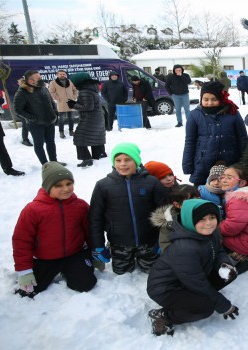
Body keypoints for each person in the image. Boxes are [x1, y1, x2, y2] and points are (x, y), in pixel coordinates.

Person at [146, 199, 239, 336]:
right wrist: (223, 305)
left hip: (189, 278)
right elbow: (197, 283)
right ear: (190, 220)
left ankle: (197, 298)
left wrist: (225, 265)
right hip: (166, 289)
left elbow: (219, 251)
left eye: (212, 217)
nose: (208, 223)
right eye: (201, 219)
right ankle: (163, 315)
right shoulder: (185, 247)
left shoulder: (208, 233)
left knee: (228, 274)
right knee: (204, 307)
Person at [12, 162, 97, 298]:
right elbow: (21, 241)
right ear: (47, 187)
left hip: (74, 254)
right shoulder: (33, 210)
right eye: (58, 185)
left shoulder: (80, 206)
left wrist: (95, 253)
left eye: (69, 184)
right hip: (45, 258)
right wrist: (24, 270)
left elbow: (90, 232)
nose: (66, 189)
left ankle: (70, 269)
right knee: (29, 290)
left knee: (86, 284)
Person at [89, 143, 168, 274]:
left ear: (136, 161)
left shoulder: (151, 182)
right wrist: (98, 245)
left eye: (128, 159)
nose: (123, 164)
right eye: (118, 160)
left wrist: (162, 240)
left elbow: (165, 213)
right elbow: (95, 218)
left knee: (152, 271)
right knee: (121, 273)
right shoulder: (103, 186)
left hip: (148, 241)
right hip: (119, 242)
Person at [182, 81, 247, 186]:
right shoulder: (195, 115)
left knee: (228, 193)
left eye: (214, 99)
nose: (209, 103)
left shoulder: (232, 113)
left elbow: (242, 138)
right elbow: (190, 141)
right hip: (203, 164)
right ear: (201, 99)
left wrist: (244, 163)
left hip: (230, 163)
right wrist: (187, 165)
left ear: (221, 99)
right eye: (206, 99)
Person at [13, 70, 63, 165]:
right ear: (31, 80)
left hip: (49, 121)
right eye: (38, 78)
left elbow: (51, 101)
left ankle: (54, 162)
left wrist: (55, 112)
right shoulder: (22, 92)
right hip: (35, 124)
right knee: (39, 145)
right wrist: (32, 118)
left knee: (51, 143)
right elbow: (18, 110)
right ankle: (46, 165)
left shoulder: (43, 88)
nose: (41, 79)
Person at [68, 72, 107, 167]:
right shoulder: (92, 89)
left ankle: (86, 159)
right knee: (96, 136)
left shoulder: (85, 91)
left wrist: (74, 105)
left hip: (90, 118)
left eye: (73, 82)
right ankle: (99, 154)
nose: (72, 84)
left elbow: (88, 107)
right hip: (97, 118)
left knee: (79, 137)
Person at [150, 184, 200, 253]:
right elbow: (165, 244)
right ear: (177, 205)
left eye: (198, 199)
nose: (196, 203)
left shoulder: (205, 214)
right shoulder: (169, 221)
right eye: (190, 201)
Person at [48, 70, 78, 139]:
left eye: (63, 74)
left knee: (71, 118)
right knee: (61, 119)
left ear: (65, 75)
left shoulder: (69, 81)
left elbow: (75, 89)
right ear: (57, 75)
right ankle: (61, 132)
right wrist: (58, 98)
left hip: (71, 102)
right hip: (61, 103)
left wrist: (74, 96)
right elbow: (51, 92)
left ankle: (71, 131)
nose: (62, 75)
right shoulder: (53, 83)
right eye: (60, 74)